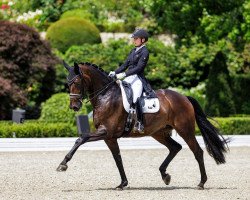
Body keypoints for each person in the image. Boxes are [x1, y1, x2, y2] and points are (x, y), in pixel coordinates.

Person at [109, 28, 155, 132]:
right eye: (134, 38)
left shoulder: (145, 52)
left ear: (143, 40)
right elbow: (125, 65)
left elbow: (139, 68)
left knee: (135, 98)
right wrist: (115, 72)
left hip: (138, 78)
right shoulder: (133, 51)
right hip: (129, 77)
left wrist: (124, 74)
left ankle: (140, 122)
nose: (134, 40)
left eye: (136, 38)